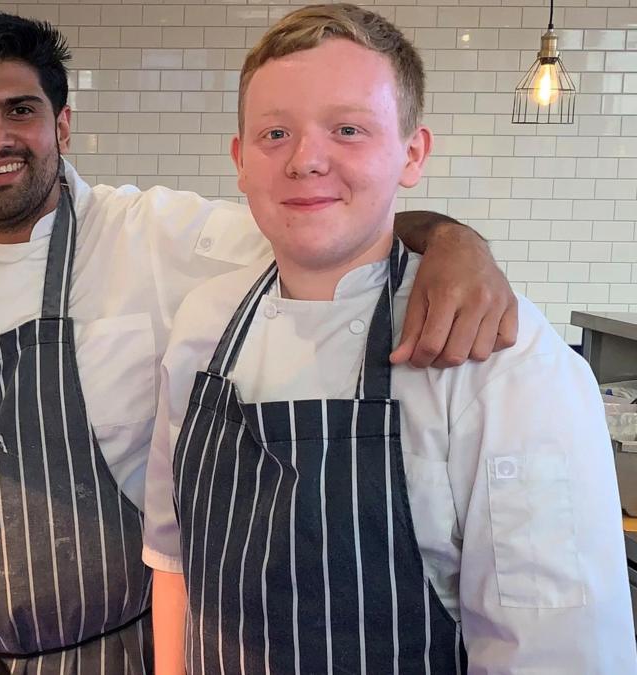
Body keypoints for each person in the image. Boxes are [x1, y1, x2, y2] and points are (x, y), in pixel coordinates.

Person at [0, 13, 518, 674]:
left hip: (102, 652)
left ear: (62, 125)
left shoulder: (152, 233)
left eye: (21, 111)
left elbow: (317, 217)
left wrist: (451, 239)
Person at [142, 5, 636, 673]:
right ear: (240, 161)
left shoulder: (502, 360)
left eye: (348, 129)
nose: (306, 160)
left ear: (412, 153)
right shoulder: (202, 325)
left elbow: (556, 651)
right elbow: (174, 562)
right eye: (275, 132)